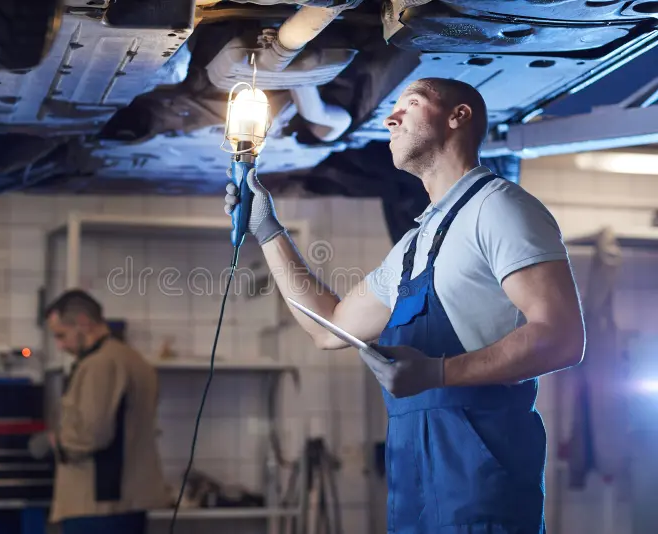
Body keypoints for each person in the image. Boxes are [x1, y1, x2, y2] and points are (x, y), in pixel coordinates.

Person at [224, 77, 585, 533]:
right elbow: (329, 327)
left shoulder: (500, 208)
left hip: (479, 489)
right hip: (414, 488)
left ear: (459, 117)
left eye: (410, 104)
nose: (390, 118)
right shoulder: (415, 243)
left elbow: (562, 337)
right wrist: (267, 229)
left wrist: (437, 373)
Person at [39, 289, 171, 534]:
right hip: (129, 501)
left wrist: (55, 443)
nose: (60, 345)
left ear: (83, 323)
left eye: (61, 335)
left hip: (98, 505)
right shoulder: (134, 360)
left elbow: (91, 434)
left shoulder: (100, 364)